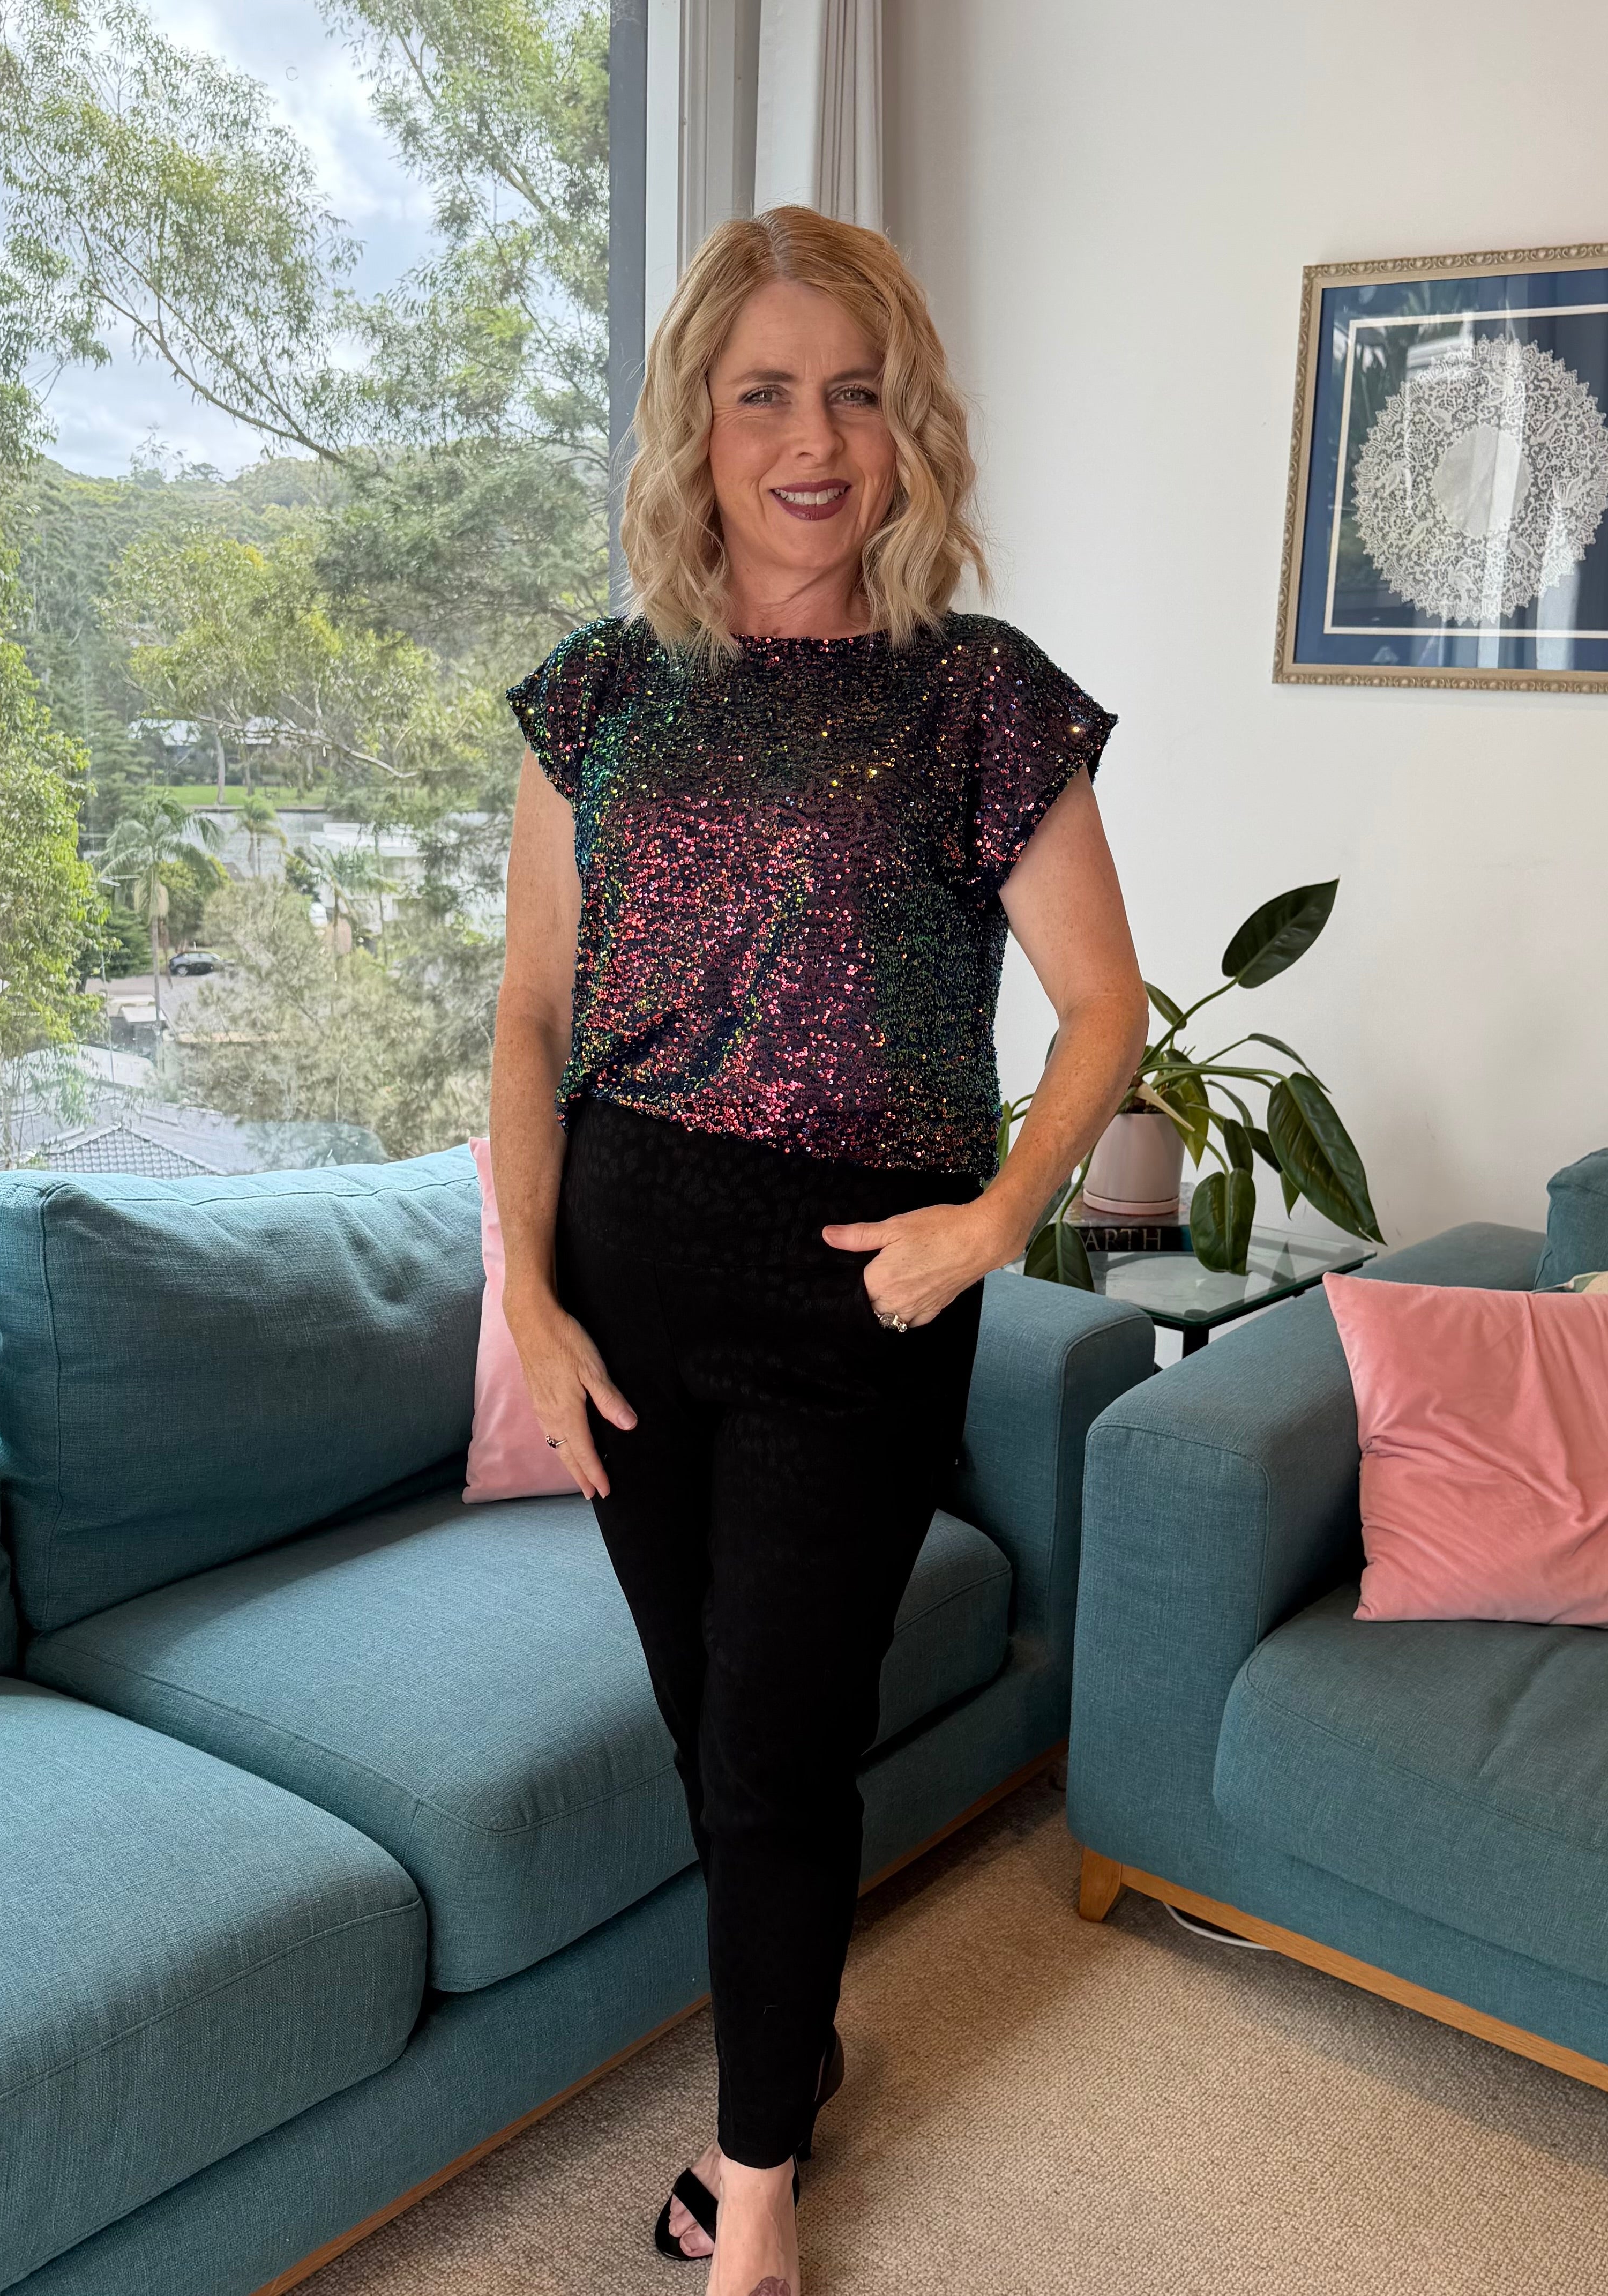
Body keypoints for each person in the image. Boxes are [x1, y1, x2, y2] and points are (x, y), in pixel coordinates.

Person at [488, 205, 1146, 2296]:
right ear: (696, 423)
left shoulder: (979, 699)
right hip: (628, 1271)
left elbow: (1106, 1004)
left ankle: (755, 2187)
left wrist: (997, 1219)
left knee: (780, 1742)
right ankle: (805, 2049)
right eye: (762, 390)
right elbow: (524, 1016)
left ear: (907, 425)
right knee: (718, 1737)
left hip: (862, 1289)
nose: (813, 438)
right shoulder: (599, 693)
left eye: (854, 392)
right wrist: (524, 1285)